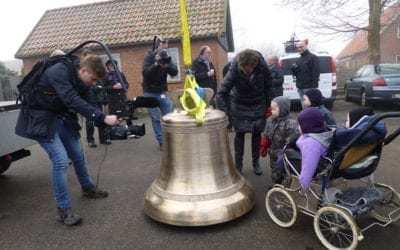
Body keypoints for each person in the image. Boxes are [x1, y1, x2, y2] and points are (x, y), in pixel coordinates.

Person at [15, 54, 121, 226]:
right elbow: (71, 99)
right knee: (61, 160)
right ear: (83, 70)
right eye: (93, 79)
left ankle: (87, 187)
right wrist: (101, 116)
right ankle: (63, 209)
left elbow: (88, 102)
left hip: (60, 116)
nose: (94, 83)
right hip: (40, 118)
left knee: (78, 154)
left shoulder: (83, 80)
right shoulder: (59, 71)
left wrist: (103, 119)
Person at [216, 49, 273, 175]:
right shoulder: (235, 68)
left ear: (254, 66)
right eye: (242, 68)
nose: (244, 71)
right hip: (240, 104)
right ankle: (238, 166)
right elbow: (221, 92)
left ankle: (256, 163)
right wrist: (225, 114)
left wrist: (270, 106)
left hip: (258, 103)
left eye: (247, 70)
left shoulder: (263, 68)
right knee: (240, 135)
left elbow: (269, 86)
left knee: (257, 135)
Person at [142, 37, 178, 150]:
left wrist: (168, 65)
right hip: (149, 92)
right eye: (162, 43)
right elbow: (145, 74)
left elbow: (175, 72)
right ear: (158, 44)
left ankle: (171, 139)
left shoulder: (166, 58)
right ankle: (161, 141)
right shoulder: (149, 57)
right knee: (155, 118)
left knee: (169, 116)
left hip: (162, 92)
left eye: (166, 43)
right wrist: (156, 64)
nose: (164, 45)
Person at [260, 96, 299, 184]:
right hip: (272, 151)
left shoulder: (290, 124)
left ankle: (285, 186)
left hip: (284, 154)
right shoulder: (270, 120)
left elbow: (292, 140)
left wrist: (288, 151)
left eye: (274, 109)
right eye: (271, 108)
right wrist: (264, 145)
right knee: (274, 169)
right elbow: (266, 133)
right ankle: (276, 184)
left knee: (284, 170)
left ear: (283, 109)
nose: (271, 111)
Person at [296, 107, 334, 189]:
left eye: (300, 124)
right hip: (324, 161)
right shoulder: (323, 131)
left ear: (307, 126)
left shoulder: (311, 144)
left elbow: (308, 166)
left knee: (286, 157)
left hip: (317, 167)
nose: (297, 127)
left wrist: (304, 185)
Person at [81, 48, 110, 147]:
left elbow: (101, 84)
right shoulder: (82, 70)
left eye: (90, 55)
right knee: (90, 120)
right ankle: (90, 140)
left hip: (98, 99)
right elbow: (85, 87)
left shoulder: (96, 68)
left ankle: (103, 138)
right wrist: (94, 88)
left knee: (100, 118)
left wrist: (104, 97)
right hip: (89, 99)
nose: (89, 57)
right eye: (87, 55)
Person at [103, 59, 132, 126]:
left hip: (122, 97)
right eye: (110, 65)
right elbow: (104, 88)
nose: (112, 66)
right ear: (107, 67)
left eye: (113, 65)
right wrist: (113, 87)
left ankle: (131, 129)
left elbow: (127, 85)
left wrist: (122, 86)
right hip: (112, 98)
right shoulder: (106, 76)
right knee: (114, 115)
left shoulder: (121, 74)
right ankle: (116, 131)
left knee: (126, 113)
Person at [291, 39, 320, 107]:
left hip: (309, 88)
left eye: (301, 47)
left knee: (311, 107)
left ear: (306, 46)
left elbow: (316, 73)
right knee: (304, 107)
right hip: (300, 88)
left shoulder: (313, 57)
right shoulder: (299, 59)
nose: (300, 49)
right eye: (298, 47)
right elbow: (296, 74)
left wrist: (313, 88)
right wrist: (293, 69)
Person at [222, 61, 233, 131]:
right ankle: (229, 125)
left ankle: (230, 126)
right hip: (230, 91)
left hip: (229, 90)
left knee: (230, 108)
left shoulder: (226, 67)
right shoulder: (228, 68)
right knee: (230, 108)